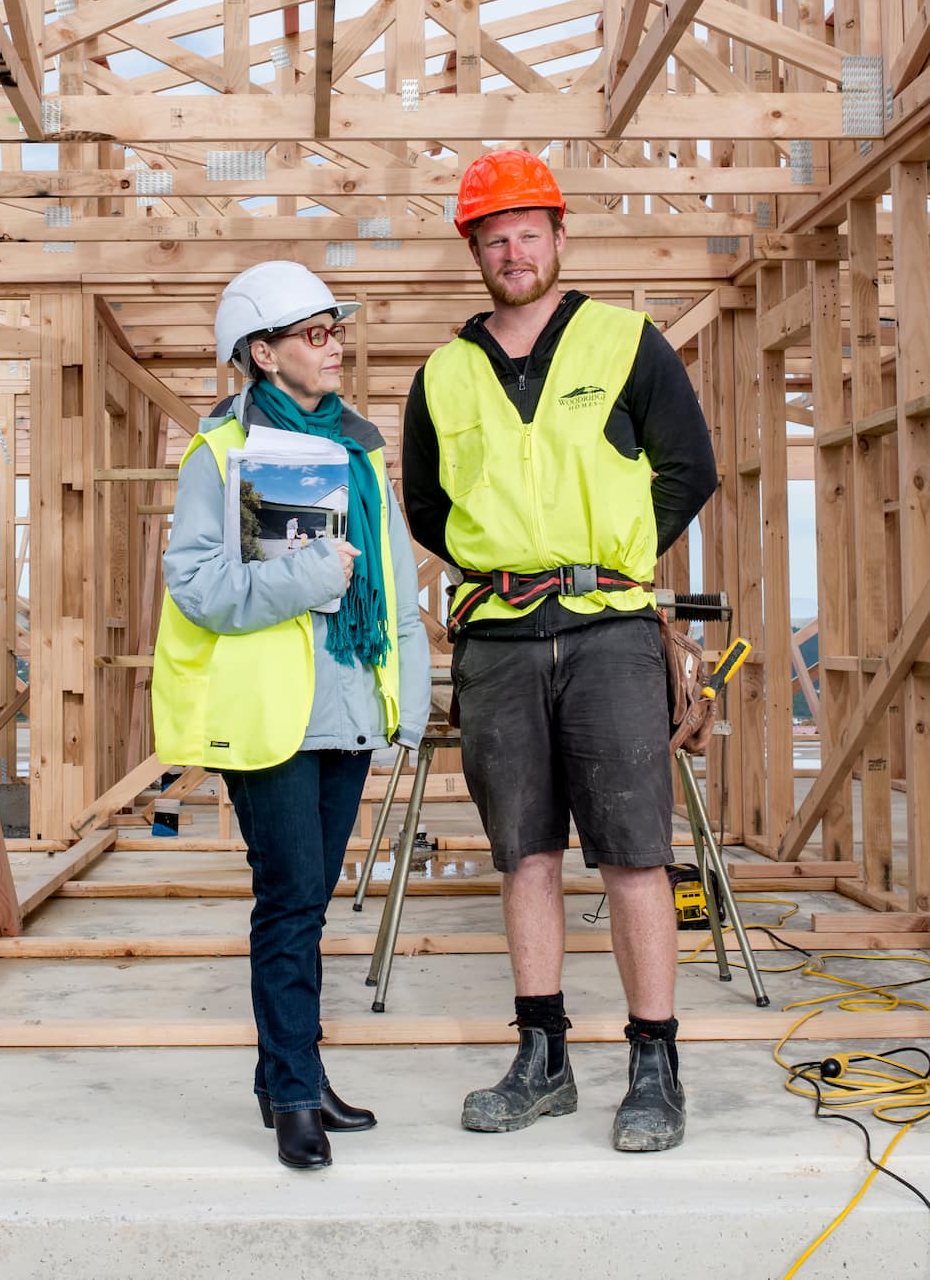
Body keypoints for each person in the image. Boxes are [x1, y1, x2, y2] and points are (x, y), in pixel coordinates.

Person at [401, 149, 718, 1153]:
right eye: (493, 236)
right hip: (496, 638)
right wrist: (502, 566)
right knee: (525, 856)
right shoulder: (443, 374)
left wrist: (613, 555)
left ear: (558, 235)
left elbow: (690, 468)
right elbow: (424, 504)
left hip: (609, 633)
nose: (512, 249)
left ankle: (653, 1065)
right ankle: (542, 1058)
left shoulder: (626, 344)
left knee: (633, 855)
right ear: (475, 250)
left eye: (528, 230)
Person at [153, 260, 432, 1171]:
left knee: (308, 908)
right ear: (264, 355)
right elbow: (197, 585)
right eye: (315, 333)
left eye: (336, 328)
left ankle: (296, 1077)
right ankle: (293, 1097)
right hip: (270, 717)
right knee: (290, 900)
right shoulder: (220, 454)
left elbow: (390, 579)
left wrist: (412, 685)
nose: (335, 343)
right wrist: (309, 578)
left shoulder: (360, 448)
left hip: (347, 706)